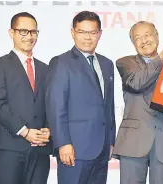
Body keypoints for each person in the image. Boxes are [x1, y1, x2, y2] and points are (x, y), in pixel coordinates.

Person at [112, 21, 163, 184]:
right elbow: (136, 83)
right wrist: (161, 58)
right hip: (133, 142)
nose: (144, 40)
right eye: (138, 38)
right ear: (133, 43)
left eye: (147, 35)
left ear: (157, 36)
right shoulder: (125, 63)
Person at [45, 11, 116, 184]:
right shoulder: (61, 62)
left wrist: (111, 141)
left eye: (92, 32)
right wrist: (62, 143)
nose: (87, 37)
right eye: (82, 32)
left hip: (102, 149)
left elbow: (109, 106)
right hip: (74, 149)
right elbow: (56, 106)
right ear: (73, 32)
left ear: (99, 34)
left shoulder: (107, 64)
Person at [0, 12, 51, 184]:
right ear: (11, 33)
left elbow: (52, 104)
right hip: (10, 148)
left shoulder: (46, 69)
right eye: (23, 31)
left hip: (41, 150)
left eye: (33, 32)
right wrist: (25, 131)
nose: (29, 36)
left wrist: (48, 129)